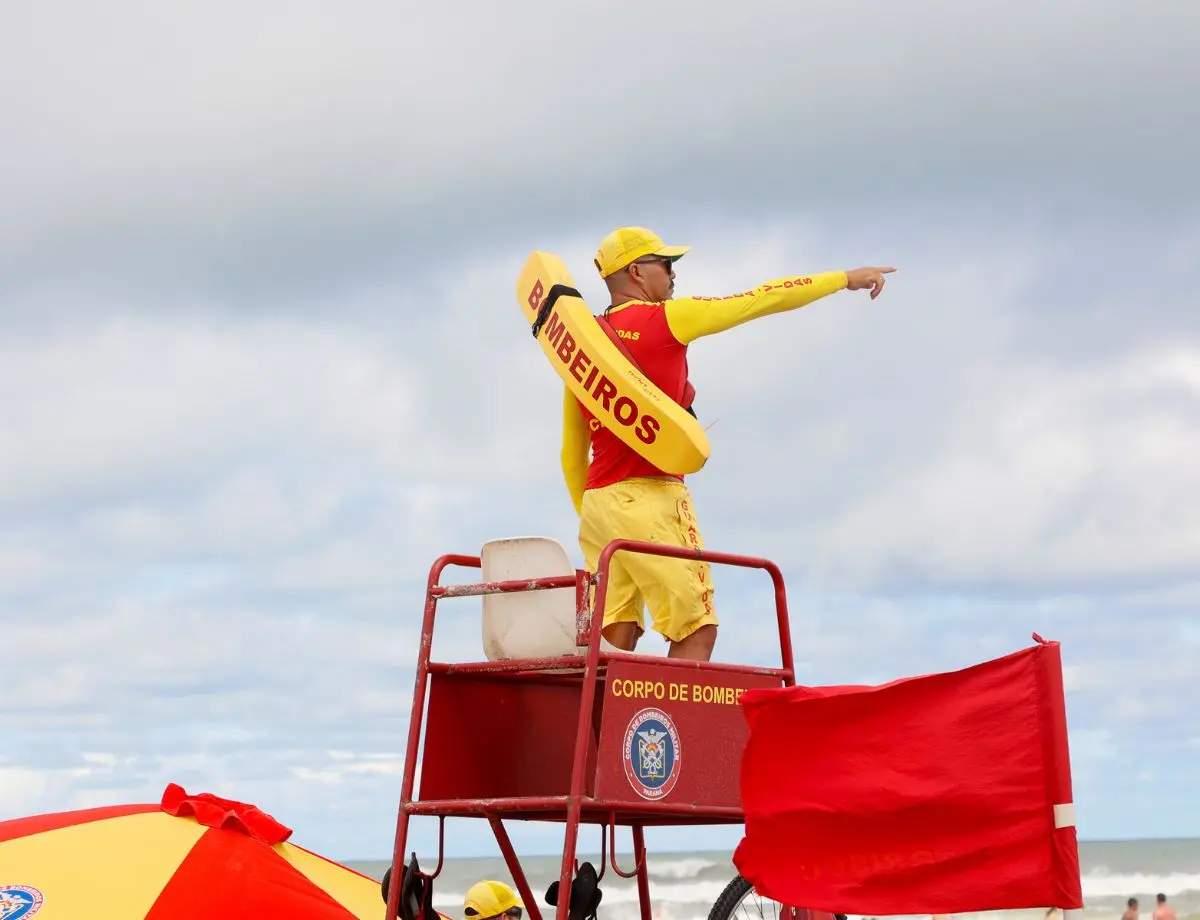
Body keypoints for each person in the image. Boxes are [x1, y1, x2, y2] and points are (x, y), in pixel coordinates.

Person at [560, 226, 895, 660]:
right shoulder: (667, 319)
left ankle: (591, 730)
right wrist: (844, 278)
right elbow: (760, 299)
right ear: (637, 272)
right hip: (652, 499)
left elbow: (572, 453)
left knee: (615, 636)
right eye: (666, 264)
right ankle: (672, 730)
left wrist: (593, 519)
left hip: (598, 507)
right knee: (696, 630)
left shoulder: (586, 348)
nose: (674, 273)